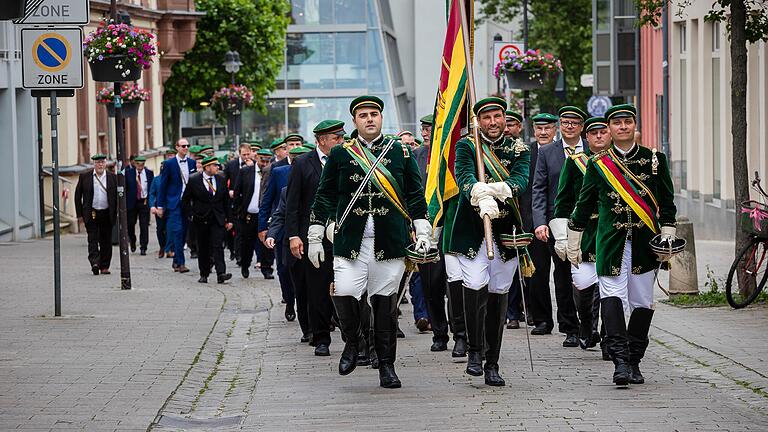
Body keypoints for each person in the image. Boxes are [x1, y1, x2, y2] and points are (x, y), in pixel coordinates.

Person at [309, 95, 430, 389]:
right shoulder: (341, 154)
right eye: (363, 115)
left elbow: (414, 193)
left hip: (389, 241)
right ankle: (353, 342)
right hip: (351, 240)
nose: (369, 119)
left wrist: (422, 228)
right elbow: (325, 194)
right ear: (355, 122)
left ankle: (386, 366)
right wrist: (314, 232)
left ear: (381, 117)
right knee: (347, 291)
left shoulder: (400, 151)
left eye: (374, 113)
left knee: (385, 305)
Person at [568, 104, 677, 386]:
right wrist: (572, 241)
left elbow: (666, 202)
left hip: (643, 243)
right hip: (610, 242)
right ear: (610, 129)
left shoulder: (654, 159)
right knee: (612, 297)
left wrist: (667, 232)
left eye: (627, 121)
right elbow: (584, 204)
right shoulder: (598, 164)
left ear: (634, 125)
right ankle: (619, 362)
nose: (623, 127)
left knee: (642, 302)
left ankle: (634, 359)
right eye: (617, 123)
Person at [445, 97, 530, 387]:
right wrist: (477, 192)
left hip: (506, 232)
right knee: (474, 284)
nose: (492, 123)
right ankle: (473, 350)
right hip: (472, 230)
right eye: (486, 118)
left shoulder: (519, 148)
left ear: (504, 119)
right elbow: (464, 177)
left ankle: (493, 362)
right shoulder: (467, 146)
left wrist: (494, 189)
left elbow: (521, 181)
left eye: (497, 117)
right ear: (478, 121)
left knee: (498, 291)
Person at [286, 121, 346, 355]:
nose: (341, 142)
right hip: (313, 236)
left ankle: (354, 336)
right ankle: (321, 338)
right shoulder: (302, 163)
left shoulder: (346, 159)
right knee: (317, 288)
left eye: (342, 138)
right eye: (336, 138)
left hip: (341, 234)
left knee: (347, 286)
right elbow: (292, 203)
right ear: (321, 140)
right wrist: (293, 236)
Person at [551, 117, 611, 351]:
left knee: (611, 287)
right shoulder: (575, 163)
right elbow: (563, 202)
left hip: (609, 231)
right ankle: (586, 325)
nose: (598, 137)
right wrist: (562, 236)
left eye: (602, 132)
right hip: (583, 232)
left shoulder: (619, 163)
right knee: (584, 284)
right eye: (593, 133)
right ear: (586, 138)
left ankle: (609, 338)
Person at [530, 107, 586, 347]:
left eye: (575, 122)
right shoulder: (548, 152)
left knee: (587, 276)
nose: (570, 126)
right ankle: (570, 327)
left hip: (589, 222)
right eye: (565, 122)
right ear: (559, 125)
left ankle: (590, 325)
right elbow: (539, 189)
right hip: (558, 223)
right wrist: (540, 222)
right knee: (562, 276)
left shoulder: (592, 150)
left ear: (582, 126)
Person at [259, 145, 303, 320]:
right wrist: (264, 228)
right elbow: (267, 200)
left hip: (306, 229)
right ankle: (290, 301)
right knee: (284, 269)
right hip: (283, 229)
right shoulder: (278, 172)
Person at [182, 156, 233, 284]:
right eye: (214, 165)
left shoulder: (221, 179)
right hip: (201, 219)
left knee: (218, 246)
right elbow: (186, 200)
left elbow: (226, 201)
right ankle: (204, 273)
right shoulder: (194, 180)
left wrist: (229, 219)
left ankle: (221, 273)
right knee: (203, 247)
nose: (217, 167)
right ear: (207, 167)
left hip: (217, 218)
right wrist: (191, 215)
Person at [157, 138, 197, 273]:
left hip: (187, 203)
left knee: (185, 232)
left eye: (187, 146)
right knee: (178, 231)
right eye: (183, 146)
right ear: (177, 147)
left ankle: (175, 261)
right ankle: (181, 263)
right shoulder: (169, 164)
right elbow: (163, 186)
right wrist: (160, 205)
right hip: (174, 203)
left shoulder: (192, 163)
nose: (186, 148)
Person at [503, 110, 527, 329]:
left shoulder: (523, 151)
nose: (508, 128)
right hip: (501, 215)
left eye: (512, 124)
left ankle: (520, 308)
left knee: (523, 269)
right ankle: (510, 313)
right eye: (506, 123)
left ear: (519, 127)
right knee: (506, 268)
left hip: (522, 216)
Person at [74, 154, 117, 275]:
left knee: (106, 240)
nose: (100, 165)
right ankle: (94, 262)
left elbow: (118, 197)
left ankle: (104, 266)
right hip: (91, 213)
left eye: (102, 162)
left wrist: (117, 213)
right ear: (94, 164)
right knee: (92, 239)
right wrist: (80, 215)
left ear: (106, 163)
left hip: (106, 213)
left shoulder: (112, 178)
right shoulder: (85, 177)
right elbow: (78, 196)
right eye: (98, 162)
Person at [225, 143, 252, 264]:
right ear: (239, 153)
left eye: (248, 154)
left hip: (248, 202)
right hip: (235, 201)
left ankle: (242, 254)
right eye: (243, 154)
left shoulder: (253, 165)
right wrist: (229, 191)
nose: (246, 156)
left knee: (245, 231)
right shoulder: (231, 165)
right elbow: (222, 180)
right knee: (237, 230)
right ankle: (237, 254)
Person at [125, 155, 154, 256]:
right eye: (138, 164)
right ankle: (132, 240)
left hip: (144, 202)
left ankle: (143, 247)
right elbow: (125, 188)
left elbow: (151, 188)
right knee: (130, 224)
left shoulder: (149, 173)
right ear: (134, 164)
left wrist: (151, 201)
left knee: (144, 225)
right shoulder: (128, 173)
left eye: (142, 164)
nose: (140, 166)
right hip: (132, 202)